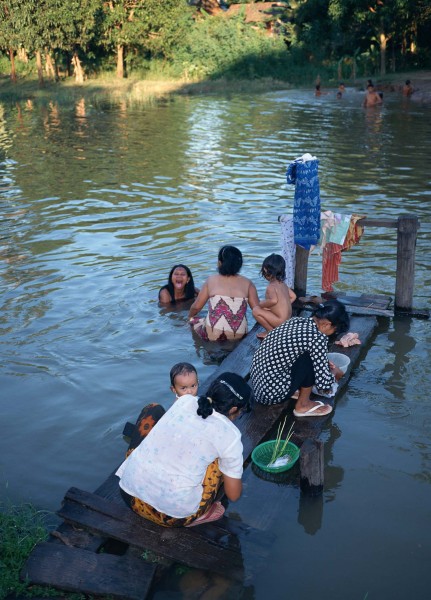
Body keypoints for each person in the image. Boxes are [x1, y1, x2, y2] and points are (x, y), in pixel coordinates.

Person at [116, 372, 253, 527]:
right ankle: (202, 514)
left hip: (128, 494)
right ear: (234, 409)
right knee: (218, 463)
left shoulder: (184, 401)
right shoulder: (231, 435)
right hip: (171, 516)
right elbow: (233, 495)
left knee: (153, 409)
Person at [250, 299, 350, 417]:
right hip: (271, 395)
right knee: (309, 360)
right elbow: (324, 387)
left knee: (308, 357)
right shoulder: (317, 338)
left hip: (259, 387)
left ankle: (295, 390)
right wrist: (336, 373)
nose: (334, 333)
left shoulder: (296, 321)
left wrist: (322, 361)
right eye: (336, 330)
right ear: (327, 324)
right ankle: (303, 405)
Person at [188, 245, 259, 342]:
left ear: (219, 263)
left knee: (195, 321)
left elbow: (196, 307)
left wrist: (190, 317)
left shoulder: (211, 280)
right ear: (240, 264)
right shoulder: (248, 283)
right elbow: (257, 310)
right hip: (239, 333)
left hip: (213, 334)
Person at [252, 254, 297, 339]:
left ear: (265, 270)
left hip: (280, 321)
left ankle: (270, 332)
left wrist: (260, 304)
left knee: (255, 310)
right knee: (265, 309)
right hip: (287, 319)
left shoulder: (271, 287)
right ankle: (274, 328)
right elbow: (293, 296)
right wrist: (280, 307)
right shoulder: (282, 284)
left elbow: (273, 301)